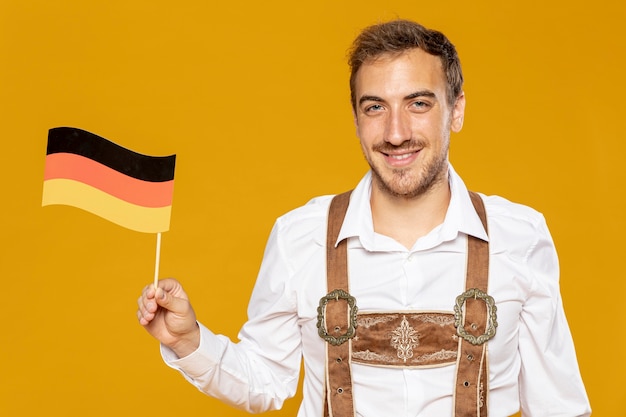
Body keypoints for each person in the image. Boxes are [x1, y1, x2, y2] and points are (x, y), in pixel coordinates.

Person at [137, 19, 591, 416]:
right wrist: (187, 340)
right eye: (375, 107)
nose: (396, 133)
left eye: (419, 104)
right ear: (356, 119)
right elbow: (265, 382)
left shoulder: (520, 236)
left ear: (456, 111)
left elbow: (558, 407)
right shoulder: (301, 236)